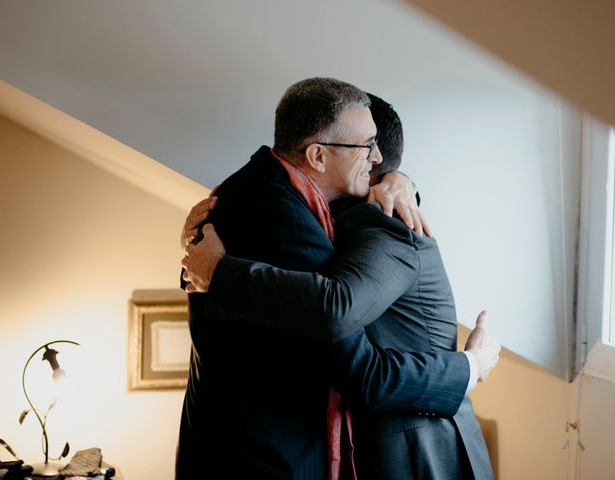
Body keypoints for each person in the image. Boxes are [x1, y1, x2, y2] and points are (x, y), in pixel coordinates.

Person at [176, 77, 499, 479]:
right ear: (318, 155)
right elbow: (350, 347)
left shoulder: (263, 191)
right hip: (263, 458)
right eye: (367, 147)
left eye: (378, 149)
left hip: (420, 443)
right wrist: (469, 367)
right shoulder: (280, 213)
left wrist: (404, 182)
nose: (376, 158)